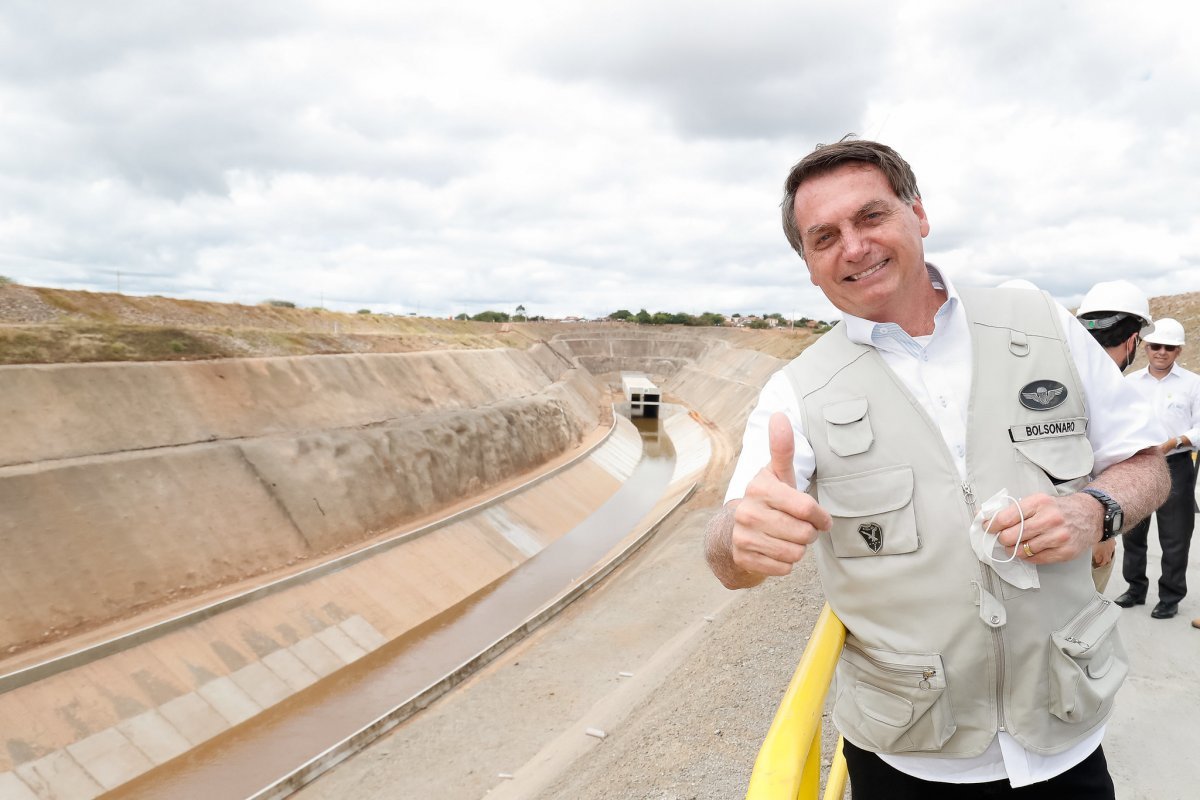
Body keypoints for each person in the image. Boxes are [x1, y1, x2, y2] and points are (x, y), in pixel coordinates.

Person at [705, 138, 1169, 798]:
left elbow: (1146, 463)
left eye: (871, 216)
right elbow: (728, 548)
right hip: (907, 760)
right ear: (809, 266)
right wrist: (741, 540)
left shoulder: (1043, 325)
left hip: (1066, 741)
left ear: (918, 214)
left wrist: (1094, 511)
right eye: (824, 237)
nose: (854, 247)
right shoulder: (795, 393)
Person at [1074, 280, 1158, 590]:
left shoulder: (1057, 373)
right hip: (1084, 530)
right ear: (1133, 341)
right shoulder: (1112, 389)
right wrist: (1103, 532)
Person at [1116, 318, 1200, 619]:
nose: (1161, 352)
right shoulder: (1129, 383)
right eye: (1155, 346)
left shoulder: (1193, 384)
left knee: (1175, 536)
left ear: (1178, 351)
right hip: (1137, 464)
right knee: (1133, 532)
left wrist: (1177, 441)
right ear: (1146, 347)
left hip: (1175, 464)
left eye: (1169, 347)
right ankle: (1135, 588)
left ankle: (1170, 596)